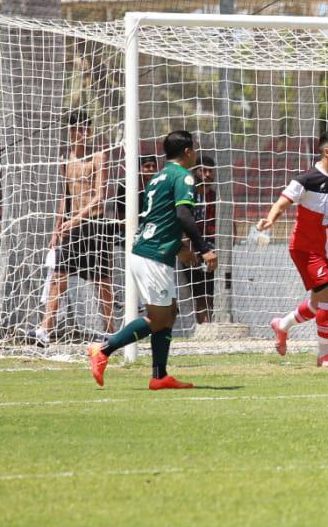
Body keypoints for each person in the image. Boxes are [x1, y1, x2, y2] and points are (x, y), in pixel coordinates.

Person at [88, 130, 217, 389]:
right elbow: (183, 215)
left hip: (151, 250)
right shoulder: (183, 176)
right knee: (158, 317)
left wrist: (181, 250)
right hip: (153, 256)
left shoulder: (158, 176)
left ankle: (160, 376)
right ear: (189, 151)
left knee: (169, 313)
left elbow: (161, 219)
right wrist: (204, 248)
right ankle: (103, 349)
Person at [256, 130, 328, 368]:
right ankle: (324, 354)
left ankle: (282, 325)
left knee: (317, 303)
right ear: (327, 151)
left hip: (326, 248)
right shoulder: (306, 179)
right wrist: (270, 220)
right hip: (305, 249)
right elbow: (281, 203)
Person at [37, 111, 115, 345]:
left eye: (86, 129)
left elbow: (99, 196)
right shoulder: (65, 158)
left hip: (94, 225)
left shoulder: (99, 157)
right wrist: (57, 229)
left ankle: (111, 331)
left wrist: (77, 218)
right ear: (71, 132)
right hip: (72, 227)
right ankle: (44, 329)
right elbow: (66, 196)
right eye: (79, 129)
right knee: (58, 277)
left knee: (102, 281)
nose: (83, 133)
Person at [179, 154, 217, 325]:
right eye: (204, 171)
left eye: (211, 171)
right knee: (199, 292)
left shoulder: (215, 197)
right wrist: (187, 246)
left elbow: (226, 222)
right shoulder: (189, 194)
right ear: (196, 172)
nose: (207, 174)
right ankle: (203, 327)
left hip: (213, 248)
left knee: (211, 292)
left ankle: (210, 327)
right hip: (192, 248)